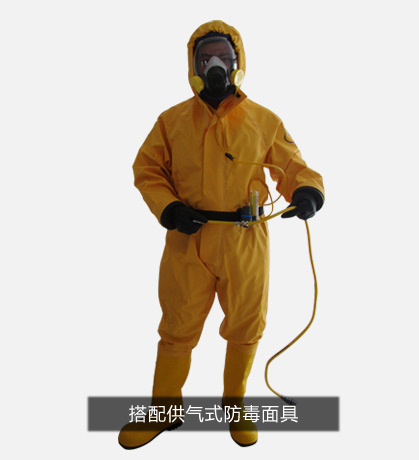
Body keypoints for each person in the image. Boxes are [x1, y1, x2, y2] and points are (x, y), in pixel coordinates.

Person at [118, 19, 324, 449]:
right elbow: (147, 169)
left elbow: (292, 166)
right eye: (205, 57)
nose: (215, 64)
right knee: (177, 326)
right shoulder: (172, 121)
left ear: (237, 62)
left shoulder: (263, 120)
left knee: (246, 323)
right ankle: (164, 410)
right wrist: (169, 208)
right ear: (193, 65)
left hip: (244, 240)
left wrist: (306, 191)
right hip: (187, 237)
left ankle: (235, 407)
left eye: (223, 57)